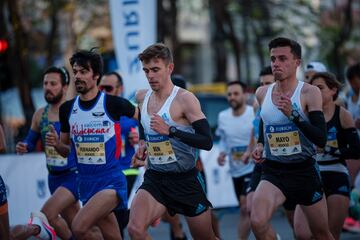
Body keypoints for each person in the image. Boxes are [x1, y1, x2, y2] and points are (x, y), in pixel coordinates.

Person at [127, 43, 216, 240]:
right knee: (135, 229)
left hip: (185, 179)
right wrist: (143, 142)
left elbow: (207, 141)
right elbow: (143, 119)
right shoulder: (142, 96)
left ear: (170, 68)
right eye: (146, 70)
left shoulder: (185, 99)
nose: (150, 76)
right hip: (156, 178)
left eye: (155, 70)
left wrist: (171, 130)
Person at [47, 49, 138, 240]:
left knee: (79, 227)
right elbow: (65, 151)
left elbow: (143, 118)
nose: (77, 76)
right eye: (75, 72)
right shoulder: (67, 109)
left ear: (96, 75)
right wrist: (56, 145)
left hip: (110, 181)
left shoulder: (113, 103)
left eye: (83, 72)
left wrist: (143, 140)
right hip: (85, 182)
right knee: (113, 236)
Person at [251, 37, 334, 239]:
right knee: (257, 222)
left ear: (297, 62)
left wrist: (294, 116)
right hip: (274, 170)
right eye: (273, 59)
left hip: (304, 171)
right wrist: (261, 143)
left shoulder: (309, 92)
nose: (276, 64)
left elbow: (320, 139)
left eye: (282, 58)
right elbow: (265, 119)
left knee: (321, 233)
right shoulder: (262, 93)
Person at [15, 66, 79, 240]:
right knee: (78, 226)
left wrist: (60, 143)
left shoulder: (73, 113)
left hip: (73, 175)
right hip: (53, 178)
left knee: (48, 215)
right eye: (45, 83)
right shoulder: (40, 114)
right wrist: (24, 146)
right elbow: (30, 140)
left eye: (53, 83)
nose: (48, 87)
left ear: (65, 87)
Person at [294, 72, 360, 239]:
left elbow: (356, 150)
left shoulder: (342, 115)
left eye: (320, 88)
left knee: (330, 234)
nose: (315, 91)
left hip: (336, 174)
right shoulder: (306, 115)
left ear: (333, 90)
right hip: (311, 175)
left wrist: (331, 150)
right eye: (313, 88)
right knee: (301, 233)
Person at [99, 71, 139, 237]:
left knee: (118, 218)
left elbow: (147, 126)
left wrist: (138, 136)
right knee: (106, 220)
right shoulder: (96, 108)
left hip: (126, 170)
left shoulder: (129, 109)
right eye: (101, 87)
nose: (104, 91)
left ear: (120, 89)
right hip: (103, 171)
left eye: (108, 88)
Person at [216, 80, 254, 240]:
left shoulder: (253, 113)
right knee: (247, 210)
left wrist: (251, 151)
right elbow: (224, 139)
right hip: (235, 170)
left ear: (245, 95)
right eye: (229, 94)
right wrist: (222, 153)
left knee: (246, 208)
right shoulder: (222, 116)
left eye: (236, 93)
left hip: (253, 168)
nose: (232, 97)